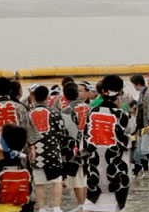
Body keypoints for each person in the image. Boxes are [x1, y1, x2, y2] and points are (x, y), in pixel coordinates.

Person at [82, 75, 136, 211]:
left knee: (93, 202)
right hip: (116, 165)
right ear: (119, 92)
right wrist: (126, 110)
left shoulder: (92, 112)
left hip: (95, 165)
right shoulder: (121, 114)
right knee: (113, 202)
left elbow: (84, 137)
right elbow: (131, 128)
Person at [0, 77, 41, 163]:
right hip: (19, 154)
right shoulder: (20, 108)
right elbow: (28, 130)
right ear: (10, 91)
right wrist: (31, 148)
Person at [28, 86, 65, 212]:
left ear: (34, 98)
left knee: (39, 183)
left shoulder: (29, 114)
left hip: (36, 152)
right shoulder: (54, 112)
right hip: (53, 150)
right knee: (57, 181)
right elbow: (62, 132)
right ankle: (56, 207)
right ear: (48, 98)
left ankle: (42, 208)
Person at [60, 82, 89, 212]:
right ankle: (86, 203)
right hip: (89, 144)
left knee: (77, 178)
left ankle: (82, 204)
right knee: (87, 177)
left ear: (65, 96)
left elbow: (69, 133)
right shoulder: (88, 107)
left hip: (76, 147)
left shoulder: (67, 111)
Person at [129, 74, 149, 178]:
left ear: (137, 84)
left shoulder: (148, 94)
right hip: (141, 125)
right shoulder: (142, 94)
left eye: (134, 85)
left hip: (148, 125)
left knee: (144, 149)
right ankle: (146, 171)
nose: (134, 87)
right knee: (140, 151)